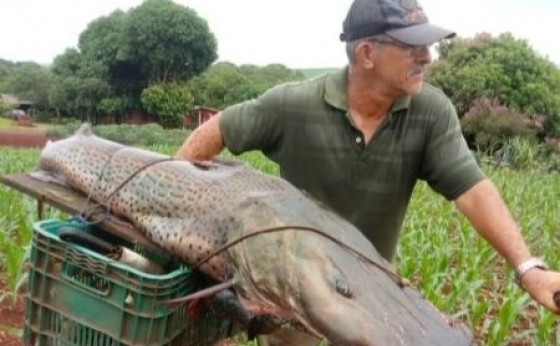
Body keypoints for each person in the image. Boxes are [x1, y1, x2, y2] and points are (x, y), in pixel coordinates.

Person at [176, 0, 560, 343]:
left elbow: (472, 190)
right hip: (294, 286)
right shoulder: (294, 104)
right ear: (367, 53)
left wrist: (528, 269)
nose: (427, 56)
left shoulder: (429, 111)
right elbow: (218, 129)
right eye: (413, 46)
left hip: (372, 292)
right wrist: (177, 190)